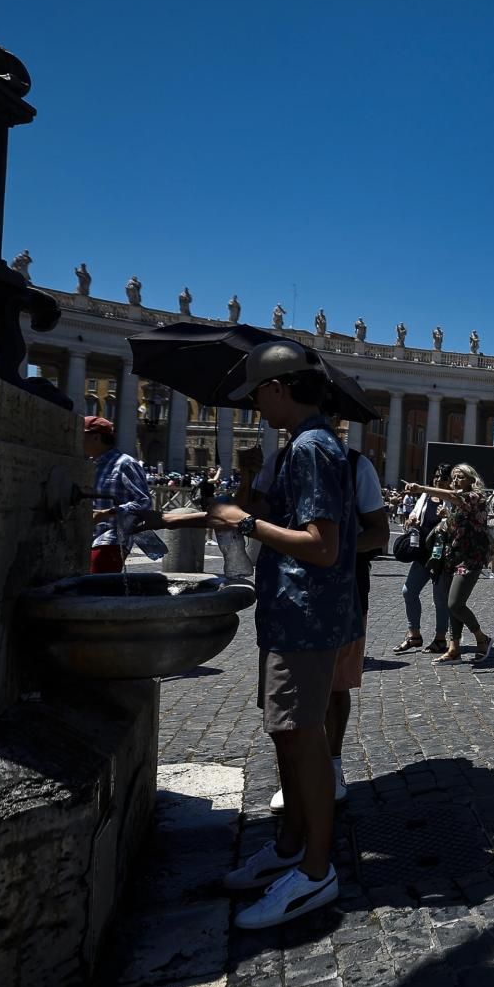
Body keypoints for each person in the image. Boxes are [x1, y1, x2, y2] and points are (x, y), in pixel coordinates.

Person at [151, 340, 358, 928]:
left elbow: (323, 546)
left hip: (305, 613)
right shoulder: (304, 447)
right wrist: (198, 512)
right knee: (286, 735)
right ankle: (292, 847)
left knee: (302, 737)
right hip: (291, 610)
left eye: (258, 394)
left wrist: (249, 522)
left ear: (279, 388)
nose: (254, 407)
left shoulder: (314, 448)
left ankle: (315, 873)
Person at [253, 442, 389, 813]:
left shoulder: (356, 464)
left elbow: (379, 533)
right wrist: (247, 486)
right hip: (284, 593)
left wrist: (330, 548)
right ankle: (294, 779)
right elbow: (255, 516)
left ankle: (333, 765)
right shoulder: (276, 461)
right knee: (284, 689)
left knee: (335, 685)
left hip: (344, 592)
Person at [407, 465, 494, 662]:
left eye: (460, 477)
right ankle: (454, 648)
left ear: (471, 479)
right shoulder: (455, 502)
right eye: (454, 477)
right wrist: (446, 519)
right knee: (451, 607)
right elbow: (457, 524)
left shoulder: (476, 496)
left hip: (471, 558)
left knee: (455, 603)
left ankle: (482, 638)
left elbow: (455, 498)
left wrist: (422, 488)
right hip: (452, 556)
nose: (455, 480)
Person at [83, 415, 152, 573]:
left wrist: (106, 514)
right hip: (88, 536)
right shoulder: (90, 464)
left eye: (82, 436)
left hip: (112, 538)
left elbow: (144, 502)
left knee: (97, 586)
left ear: (96, 437)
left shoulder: (125, 463)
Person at [395, 465, 452, 654]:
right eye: (436, 477)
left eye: (443, 478)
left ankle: (440, 639)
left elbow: (458, 525)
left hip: (441, 557)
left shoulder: (452, 499)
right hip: (422, 554)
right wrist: (411, 520)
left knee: (440, 599)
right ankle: (414, 635)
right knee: (408, 592)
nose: (438, 480)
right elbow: (415, 515)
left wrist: (448, 517)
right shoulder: (425, 497)